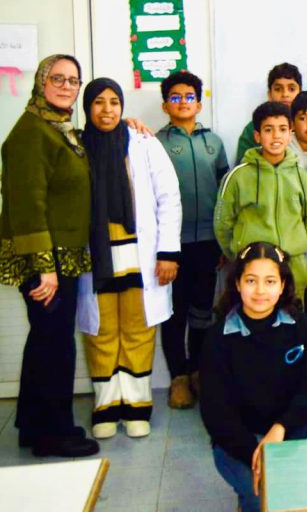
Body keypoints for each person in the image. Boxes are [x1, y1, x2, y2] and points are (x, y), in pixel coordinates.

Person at [200, 242, 307, 512]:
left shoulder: (301, 326)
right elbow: (216, 414)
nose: (260, 290)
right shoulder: (218, 338)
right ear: (238, 284)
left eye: (270, 281)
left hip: (290, 430)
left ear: (282, 285)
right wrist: (255, 455)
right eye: (251, 280)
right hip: (243, 443)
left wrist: (281, 427)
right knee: (267, 497)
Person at [0, 54, 100, 458]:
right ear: (41, 82)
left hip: (61, 256)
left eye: (73, 80)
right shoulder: (31, 133)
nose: (66, 86)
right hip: (46, 260)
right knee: (55, 344)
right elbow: (28, 204)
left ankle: (32, 424)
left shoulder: (56, 128)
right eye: (58, 78)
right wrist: (44, 268)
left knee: (45, 339)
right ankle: (54, 433)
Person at [76, 78, 182, 439]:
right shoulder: (77, 146)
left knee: (138, 331)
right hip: (97, 256)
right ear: (87, 107)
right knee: (102, 333)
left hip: (139, 254)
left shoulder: (143, 142)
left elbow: (168, 197)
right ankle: (106, 407)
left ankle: (137, 406)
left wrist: (167, 252)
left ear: (122, 106)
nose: (107, 110)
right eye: (98, 102)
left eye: (114, 102)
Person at [156, 70, 230, 409]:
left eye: (189, 97)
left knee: (203, 310)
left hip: (208, 243)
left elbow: (225, 194)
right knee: (175, 313)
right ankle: (179, 377)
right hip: (172, 246)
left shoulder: (213, 142)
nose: (183, 102)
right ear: (165, 105)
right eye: (175, 97)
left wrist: (223, 241)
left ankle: (199, 371)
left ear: (199, 103)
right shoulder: (155, 143)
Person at [215, 101, 307, 298]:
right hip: (252, 269)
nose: (276, 136)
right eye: (268, 130)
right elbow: (223, 224)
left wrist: (296, 245)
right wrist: (239, 254)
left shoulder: (302, 176)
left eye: (282, 129)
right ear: (257, 136)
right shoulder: (238, 176)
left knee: (290, 317)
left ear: (290, 133)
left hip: (293, 270)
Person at [234, 62, 302, 162]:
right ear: (269, 95)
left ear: (300, 93)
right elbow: (243, 164)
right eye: (278, 89)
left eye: (291, 89)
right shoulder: (253, 128)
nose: (285, 94)